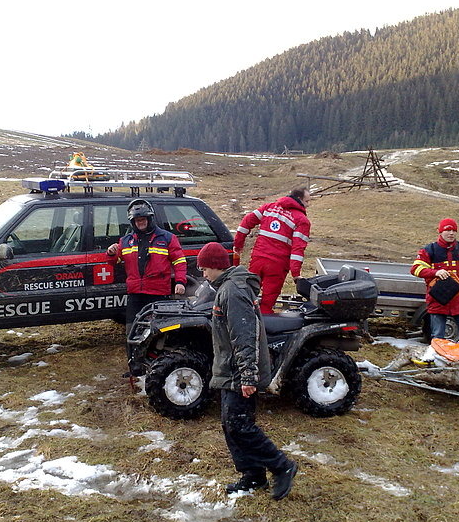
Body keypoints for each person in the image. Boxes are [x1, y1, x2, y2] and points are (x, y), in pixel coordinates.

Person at [196, 242, 298, 500]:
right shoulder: (227, 288)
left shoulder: (233, 291)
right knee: (231, 425)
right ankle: (253, 475)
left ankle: (282, 466)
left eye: (204, 268)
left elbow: (245, 337)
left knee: (240, 425)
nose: (203, 274)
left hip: (239, 372)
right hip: (231, 369)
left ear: (216, 266)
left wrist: (248, 376)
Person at [107, 199, 187, 330]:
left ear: (150, 219)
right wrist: (111, 253)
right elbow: (113, 262)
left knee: (160, 330)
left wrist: (180, 282)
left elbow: (179, 261)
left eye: (143, 219)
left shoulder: (167, 238)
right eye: (137, 220)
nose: (141, 222)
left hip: (158, 293)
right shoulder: (126, 241)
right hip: (135, 294)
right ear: (132, 222)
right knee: (132, 330)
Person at [233, 186, 311, 314]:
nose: (308, 205)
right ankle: (264, 323)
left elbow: (247, 221)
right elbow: (298, 249)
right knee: (267, 302)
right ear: (299, 199)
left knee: (248, 295)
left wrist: (238, 244)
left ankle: (242, 317)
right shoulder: (302, 220)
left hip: (258, 259)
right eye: (307, 201)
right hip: (277, 266)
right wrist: (296, 274)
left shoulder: (269, 208)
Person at [410, 218, 459, 341]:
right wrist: (436, 273)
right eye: (447, 230)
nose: (451, 233)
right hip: (438, 301)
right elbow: (415, 269)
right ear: (439, 231)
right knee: (438, 337)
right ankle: (437, 354)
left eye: (454, 230)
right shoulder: (429, 250)